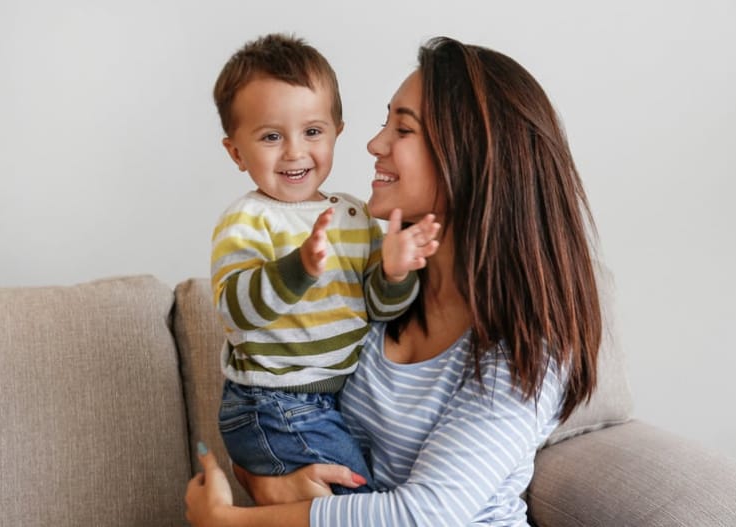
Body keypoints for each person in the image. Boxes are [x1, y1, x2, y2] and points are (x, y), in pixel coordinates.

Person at [187, 35, 601, 526]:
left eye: (402, 129)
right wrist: (267, 482)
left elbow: (424, 516)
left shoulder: (527, 347)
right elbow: (275, 425)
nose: (373, 144)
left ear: (466, 157)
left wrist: (227, 521)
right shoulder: (373, 289)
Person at [209, 34, 441, 495]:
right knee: (356, 499)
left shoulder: (355, 216)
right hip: (272, 402)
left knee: (358, 495)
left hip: (332, 400)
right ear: (236, 152)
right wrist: (298, 269)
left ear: (337, 131)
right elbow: (236, 312)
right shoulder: (248, 219)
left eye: (312, 132)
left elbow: (378, 308)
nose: (295, 152)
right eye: (271, 137)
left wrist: (394, 273)